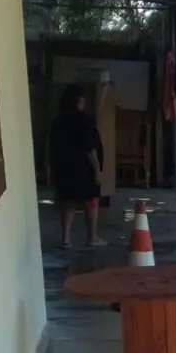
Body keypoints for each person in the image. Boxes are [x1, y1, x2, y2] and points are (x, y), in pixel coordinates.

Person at [48, 84, 104, 249]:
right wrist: (97, 170)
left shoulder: (58, 121)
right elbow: (90, 148)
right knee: (91, 202)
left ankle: (66, 239)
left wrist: (50, 167)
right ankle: (92, 237)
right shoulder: (84, 120)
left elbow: (51, 146)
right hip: (83, 168)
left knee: (68, 202)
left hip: (63, 167)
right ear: (79, 100)